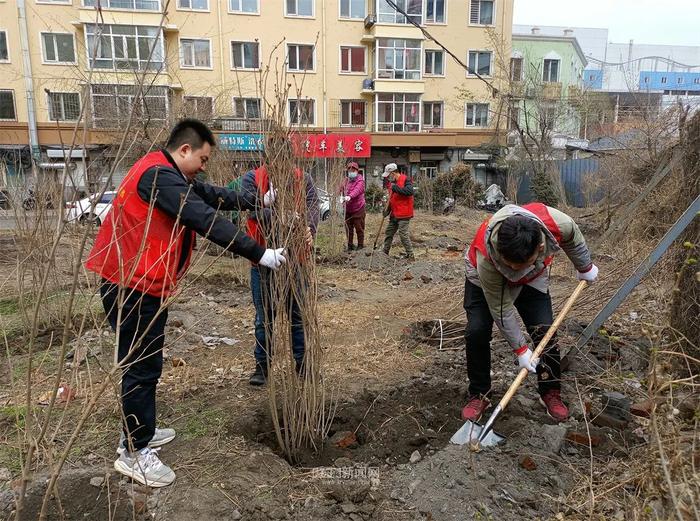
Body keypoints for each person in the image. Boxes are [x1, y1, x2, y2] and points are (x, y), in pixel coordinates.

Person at [85, 119, 286, 488]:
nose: (205, 166)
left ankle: (138, 431)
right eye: (203, 158)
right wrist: (259, 254)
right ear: (184, 151)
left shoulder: (166, 173)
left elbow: (212, 197)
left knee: (143, 364)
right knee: (142, 367)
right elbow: (204, 218)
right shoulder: (157, 177)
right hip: (131, 288)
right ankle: (134, 452)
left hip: (142, 285)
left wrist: (257, 199)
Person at [461, 203, 599, 423]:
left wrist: (584, 267)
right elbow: (501, 309)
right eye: (512, 265)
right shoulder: (486, 257)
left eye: (522, 263)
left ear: (540, 245)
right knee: (477, 331)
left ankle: (550, 392)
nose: (516, 270)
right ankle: (479, 394)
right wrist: (521, 350)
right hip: (485, 283)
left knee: (545, 331)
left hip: (533, 279)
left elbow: (573, 234)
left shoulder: (555, 222)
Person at [242, 161, 319, 386]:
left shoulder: (302, 179)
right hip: (263, 261)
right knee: (264, 319)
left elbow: (313, 204)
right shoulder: (252, 179)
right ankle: (262, 367)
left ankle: (303, 365)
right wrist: (277, 216)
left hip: (296, 261)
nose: (282, 172)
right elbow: (250, 208)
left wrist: (308, 227)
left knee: (298, 316)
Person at [381, 163, 415, 260]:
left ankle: (411, 255)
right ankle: (385, 252)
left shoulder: (405, 179)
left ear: (393, 173)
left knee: (403, 234)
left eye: (388, 176)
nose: (388, 178)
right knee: (389, 232)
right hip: (395, 214)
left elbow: (409, 191)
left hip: (404, 213)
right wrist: (387, 211)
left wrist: (397, 188)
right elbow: (392, 200)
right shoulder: (392, 185)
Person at [341, 161, 366, 251]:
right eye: (349, 170)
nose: (351, 172)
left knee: (359, 228)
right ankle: (350, 245)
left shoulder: (360, 180)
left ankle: (360, 246)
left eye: (353, 170)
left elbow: (357, 190)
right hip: (348, 209)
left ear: (357, 171)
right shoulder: (346, 180)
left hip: (358, 208)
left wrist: (349, 196)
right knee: (348, 228)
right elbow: (340, 188)